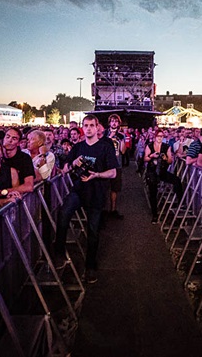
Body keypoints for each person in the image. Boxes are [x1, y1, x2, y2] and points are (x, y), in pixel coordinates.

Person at [53, 115, 118, 284]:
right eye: (85, 125)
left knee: (93, 231)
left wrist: (97, 175)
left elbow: (113, 172)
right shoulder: (78, 147)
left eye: (91, 125)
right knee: (63, 213)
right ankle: (59, 253)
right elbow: (65, 170)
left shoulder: (105, 146)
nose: (88, 128)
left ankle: (90, 267)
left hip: (96, 193)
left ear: (97, 128)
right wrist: (73, 163)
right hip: (79, 190)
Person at [144, 130, 183, 223]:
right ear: (155, 137)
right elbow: (145, 158)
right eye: (158, 136)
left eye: (161, 136)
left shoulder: (166, 147)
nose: (160, 138)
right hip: (152, 172)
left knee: (177, 180)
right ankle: (154, 215)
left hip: (162, 171)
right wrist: (152, 156)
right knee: (152, 193)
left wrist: (166, 158)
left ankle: (180, 202)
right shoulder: (149, 145)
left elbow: (170, 160)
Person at [104, 114, 126, 219]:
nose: (114, 123)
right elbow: (102, 146)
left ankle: (113, 209)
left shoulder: (121, 135)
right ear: (109, 123)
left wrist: (121, 139)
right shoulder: (104, 133)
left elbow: (123, 151)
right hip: (105, 165)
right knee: (104, 187)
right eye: (112, 121)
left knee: (115, 188)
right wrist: (110, 137)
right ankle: (103, 210)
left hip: (117, 164)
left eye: (116, 121)